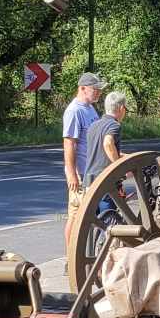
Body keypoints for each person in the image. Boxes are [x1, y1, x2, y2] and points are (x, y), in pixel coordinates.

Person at [79, 90, 129, 223]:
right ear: (121, 108)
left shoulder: (94, 126)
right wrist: (119, 166)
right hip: (105, 182)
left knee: (92, 223)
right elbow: (107, 144)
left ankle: (94, 243)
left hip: (89, 182)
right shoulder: (114, 125)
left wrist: (124, 156)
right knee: (109, 223)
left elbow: (98, 151)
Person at [62, 72, 105, 220]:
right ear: (82, 88)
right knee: (76, 219)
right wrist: (72, 174)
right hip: (81, 173)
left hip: (91, 170)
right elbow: (69, 143)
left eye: (100, 89)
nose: (99, 92)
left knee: (91, 216)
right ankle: (71, 245)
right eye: (95, 89)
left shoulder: (90, 108)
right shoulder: (74, 111)